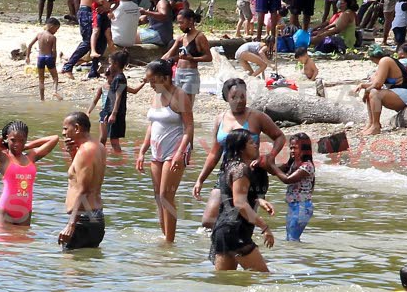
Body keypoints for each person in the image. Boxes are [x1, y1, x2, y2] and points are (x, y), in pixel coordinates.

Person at [192, 78, 285, 230]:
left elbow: (279, 137)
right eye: (234, 97)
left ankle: (239, 243)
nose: (239, 101)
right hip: (226, 172)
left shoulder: (257, 117)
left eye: (243, 96)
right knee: (208, 221)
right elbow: (215, 153)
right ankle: (224, 241)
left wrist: (270, 156)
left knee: (243, 222)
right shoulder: (220, 119)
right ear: (226, 97)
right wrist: (200, 179)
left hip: (251, 174)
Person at [136, 60, 194, 243]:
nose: (151, 85)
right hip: (156, 152)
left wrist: (180, 153)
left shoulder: (180, 95)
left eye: (153, 81)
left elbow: (189, 127)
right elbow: (152, 125)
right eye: (149, 81)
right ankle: (165, 237)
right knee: (157, 197)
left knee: (166, 195)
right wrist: (142, 151)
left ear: (166, 78)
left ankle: (170, 242)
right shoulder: (156, 95)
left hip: (174, 152)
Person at [210, 129, 276, 271]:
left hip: (222, 231)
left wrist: (259, 201)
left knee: (225, 284)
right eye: (251, 143)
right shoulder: (241, 169)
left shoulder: (228, 167)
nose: (255, 145)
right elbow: (240, 203)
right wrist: (265, 227)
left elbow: (232, 196)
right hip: (236, 230)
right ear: (241, 148)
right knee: (264, 279)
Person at [0, 121, 60, 225]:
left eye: (21, 140)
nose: (17, 144)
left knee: (23, 241)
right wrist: (3, 142)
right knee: (4, 241)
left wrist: (27, 146)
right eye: (13, 140)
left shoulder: (31, 157)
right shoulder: (3, 158)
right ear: (7, 138)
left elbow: (54, 138)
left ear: (26, 140)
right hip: (5, 211)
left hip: (25, 212)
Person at [61, 0, 119, 76]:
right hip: (87, 9)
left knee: (102, 41)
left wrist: (109, 6)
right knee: (88, 41)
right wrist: (102, 2)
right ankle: (68, 66)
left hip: (101, 10)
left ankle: (93, 70)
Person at [58, 112, 107, 251]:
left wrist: (71, 225)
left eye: (65, 129)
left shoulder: (85, 151)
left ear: (77, 128)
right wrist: (73, 153)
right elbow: (86, 178)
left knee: (70, 269)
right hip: (96, 218)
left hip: (82, 220)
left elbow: (83, 190)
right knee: (87, 270)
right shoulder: (99, 146)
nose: (63, 133)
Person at [354, 46, 407, 136]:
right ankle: (371, 123)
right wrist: (363, 86)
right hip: (405, 92)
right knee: (371, 92)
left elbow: (377, 85)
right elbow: (377, 83)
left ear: (371, 58)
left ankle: (375, 125)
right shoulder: (387, 61)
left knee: (374, 93)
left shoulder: (385, 61)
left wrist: (366, 91)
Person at [87, 50, 144, 152]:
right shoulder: (119, 78)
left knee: (114, 141)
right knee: (110, 140)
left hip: (115, 113)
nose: (110, 65)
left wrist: (113, 114)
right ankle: (109, 160)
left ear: (116, 64)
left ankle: (119, 162)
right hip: (110, 112)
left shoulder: (119, 79)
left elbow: (118, 97)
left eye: (110, 63)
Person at [269, 132, 316, 242]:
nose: (292, 151)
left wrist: (271, 164)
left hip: (302, 207)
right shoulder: (292, 165)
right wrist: (262, 163)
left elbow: (287, 180)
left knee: (292, 239)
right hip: (294, 206)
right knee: (290, 239)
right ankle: (295, 258)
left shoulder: (307, 166)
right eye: (291, 148)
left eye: (295, 148)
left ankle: (298, 258)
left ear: (304, 149)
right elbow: (274, 171)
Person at [162, 8, 212, 103]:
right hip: (178, 73)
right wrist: (156, 65)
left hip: (191, 74)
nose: (179, 26)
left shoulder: (200, 37)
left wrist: (192, 58)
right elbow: (169, 54)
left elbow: (209, 57)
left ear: (191, 21)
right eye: (178, 23)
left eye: (182, 23)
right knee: (177, 104)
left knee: (186, 106)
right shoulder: (181, 38)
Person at [25, 17, 61, 101]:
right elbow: (54, 51)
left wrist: (27, 57)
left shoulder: (39, 35)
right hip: (49, 57)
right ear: (51, 27)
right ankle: (55, 91)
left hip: (40, 58)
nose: (56, 31)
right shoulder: (52, 37)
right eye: (56, 29)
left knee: (41, 80)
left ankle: (42, 99)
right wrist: (54, 61)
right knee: (55, 77)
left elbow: (30, 45)